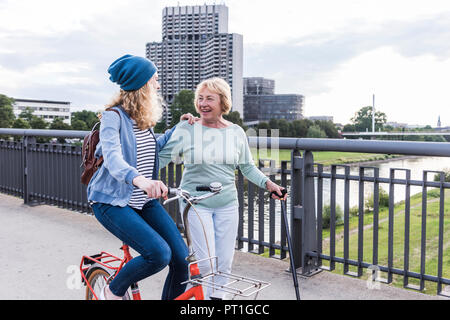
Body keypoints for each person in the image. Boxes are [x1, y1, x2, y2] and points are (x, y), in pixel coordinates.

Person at [159, 77, 286, 299]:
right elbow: (159, 159)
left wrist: (270, 185)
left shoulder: (236, 132)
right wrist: (137, 177)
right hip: (195, 204)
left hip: (227, 204)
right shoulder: (187, 128)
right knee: (206, 264)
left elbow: (247, 167)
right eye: (200, 98)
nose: (203, 103)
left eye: (209, 98)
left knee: (224, 263)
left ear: (222, 102)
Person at [87, 54, 192, 300]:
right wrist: (141, 181)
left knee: (181, 259)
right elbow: (113, 158)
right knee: (158, 254)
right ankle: (110, 292)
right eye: (154, 80)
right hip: (112, 201)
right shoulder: (113, 117)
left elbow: (149, 146)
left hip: (142, 201)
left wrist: (179, 127)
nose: (157, 85)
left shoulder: (141, 117)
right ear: (142, 84)